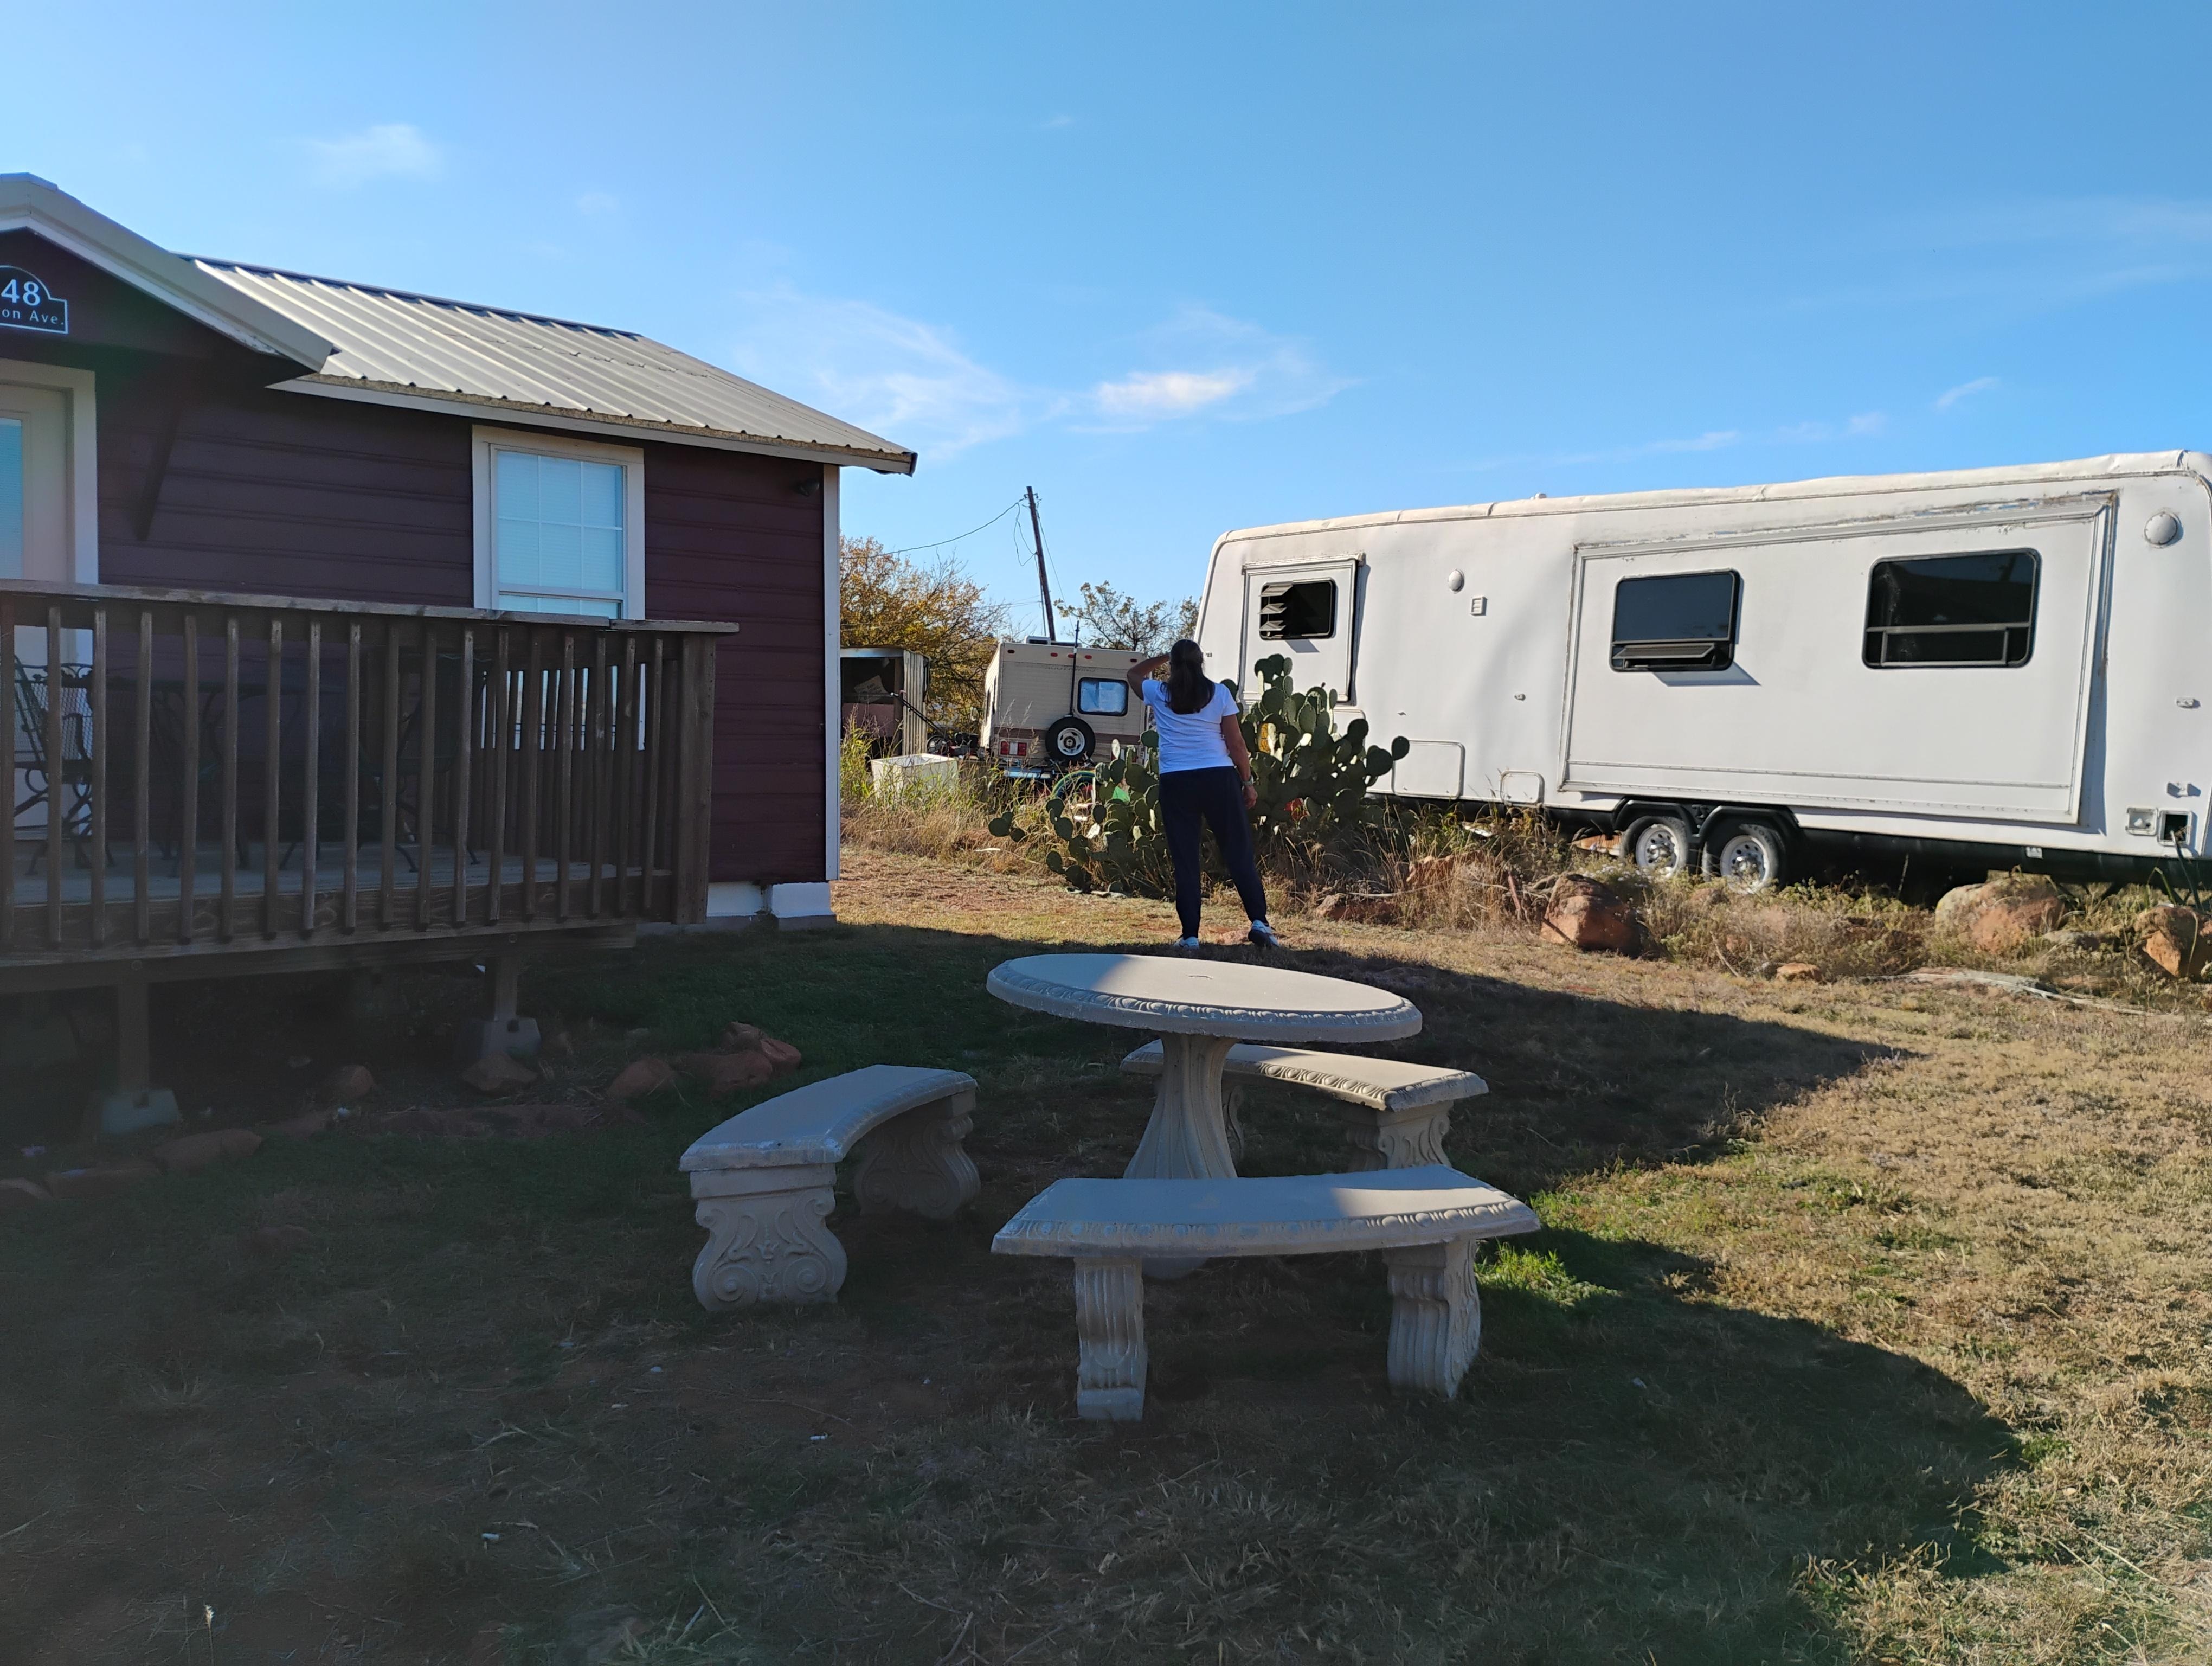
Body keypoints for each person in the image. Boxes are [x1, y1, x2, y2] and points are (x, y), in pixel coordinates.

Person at [1126, 639, 1281, 950]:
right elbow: (1236, 743)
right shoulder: (1219, 693)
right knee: (1238, 851)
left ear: (1174, 664)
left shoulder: (1160, 693)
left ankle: (1191, 936)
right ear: (1201, 663)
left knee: (1185, 859)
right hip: (1218, 779)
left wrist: (1163, 658)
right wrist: (1248, 782)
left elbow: (1134, 675)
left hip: (1177, 781)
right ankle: (1260, 923)